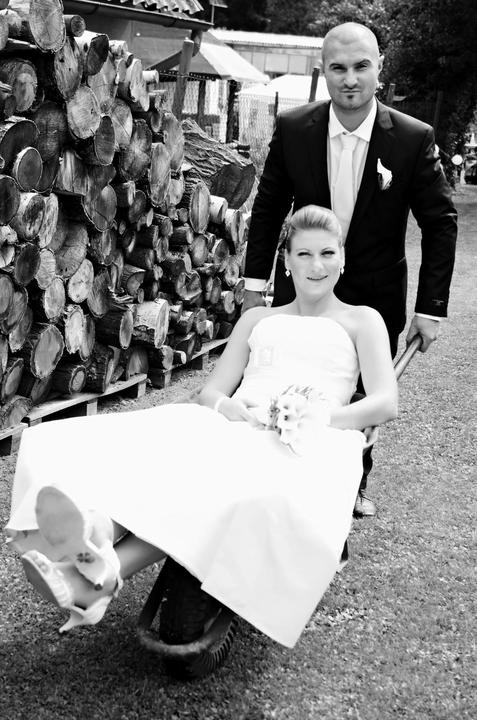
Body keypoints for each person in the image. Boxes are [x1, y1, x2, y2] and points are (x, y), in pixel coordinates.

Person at [6, 206, 398, 649]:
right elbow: (212, 392)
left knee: (218, 477)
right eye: (304, 254)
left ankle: (97, 566)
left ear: (343, 257)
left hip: (308, 438)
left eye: (327, 253)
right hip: (242, 422)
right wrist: (230, 408)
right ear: (286, 261)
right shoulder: (258, 319)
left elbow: (385, 401)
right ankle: (99, 532)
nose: (316, 265)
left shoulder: (362, 320)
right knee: (157, 448)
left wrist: (319, 418)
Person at [242, 22, 457, 517]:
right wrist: (255, 284)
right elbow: (269, 208)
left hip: (376, 292)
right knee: (292, 379)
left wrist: (431, 308)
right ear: (324, 71)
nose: (350, 79)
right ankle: (277, 473)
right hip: (305, 283)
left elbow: (440, 223)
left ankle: (352, 483)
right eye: (338, 68)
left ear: (380, 68)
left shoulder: (413, 138)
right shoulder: (294, 129)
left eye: (361, 66)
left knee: (360, 392)